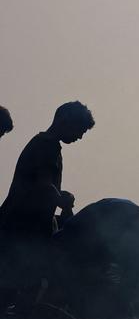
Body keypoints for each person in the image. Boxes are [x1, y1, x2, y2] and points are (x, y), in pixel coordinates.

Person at [0, 101, 94, 299]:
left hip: (26, 227)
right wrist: (63, 201)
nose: (80, 136)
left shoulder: (47, 145)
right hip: (21, 228)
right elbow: (44, 186)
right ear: (64, 121)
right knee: (19, 287)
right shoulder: (46, 146)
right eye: (79, 129)